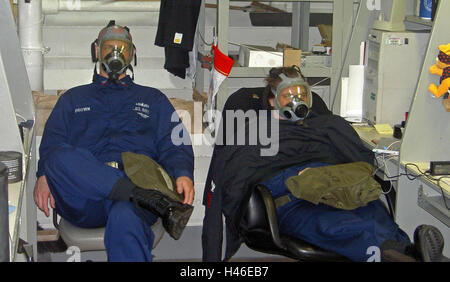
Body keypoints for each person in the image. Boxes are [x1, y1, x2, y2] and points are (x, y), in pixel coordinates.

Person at [202, 66, 448, 262]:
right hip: (292, 200)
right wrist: (298, 176)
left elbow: (361, 160)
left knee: (373, 212)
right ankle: (397, 255)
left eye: (302, 94)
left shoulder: (326, 125)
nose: (297, 101)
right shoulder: (256, 130)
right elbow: (235, 181)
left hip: (340, 190)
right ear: (272, 100)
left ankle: (405, 251)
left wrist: (335, 174)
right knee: (341, 226)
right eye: (288, 95)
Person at [34, 21, 195, 262]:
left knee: (126, 216)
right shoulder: (72, 99)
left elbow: (175, 142)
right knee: (57, 158)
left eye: (123, 47)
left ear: (132, 54)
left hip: (134, 192)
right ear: (97, 51)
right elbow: (52, 145)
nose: (115, 53)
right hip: (84, 196)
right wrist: (43, 174)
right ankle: (140, 195)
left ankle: (136, 195)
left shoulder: (152, 99)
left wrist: (183, 173)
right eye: (109, 46)